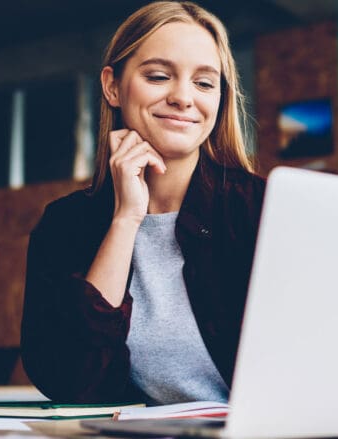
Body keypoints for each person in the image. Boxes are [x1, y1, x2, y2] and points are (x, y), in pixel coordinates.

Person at [21, 1, 265, 404]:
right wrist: (126, 219)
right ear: (113, 86)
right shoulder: (66, 224)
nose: (184, 98)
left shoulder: (260, 210)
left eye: (204, 83)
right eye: (158, 76)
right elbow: (70, 380)